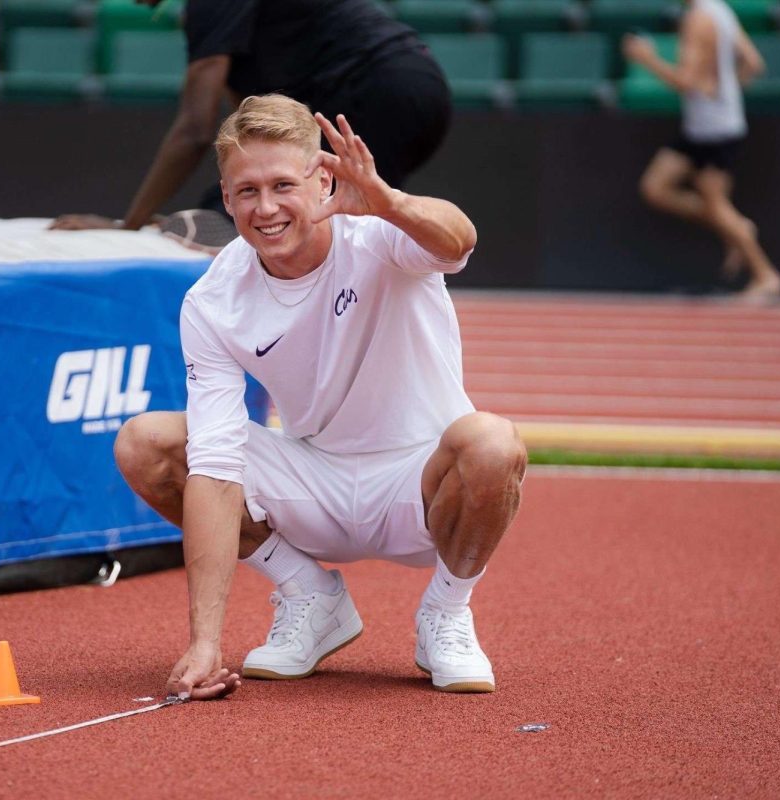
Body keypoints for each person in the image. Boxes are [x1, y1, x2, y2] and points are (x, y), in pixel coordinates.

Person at [113, 94, 527, 701]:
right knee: (146, 443)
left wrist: (391, 201)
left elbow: (457, 242)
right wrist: (206, 641)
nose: (266, 207)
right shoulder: (213, 299)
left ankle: (446, 611)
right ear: (226, 199)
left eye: (283, 184)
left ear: (323, 177)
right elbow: (216, 468)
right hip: (313, 482)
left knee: (491, 441)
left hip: (419, 487)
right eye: (246, 191)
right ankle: (309, 594)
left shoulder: (381, 233)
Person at [50, 0, 452, 247]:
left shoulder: (209, 8)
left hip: (381, 93)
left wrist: (130, 225)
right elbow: (248, 132)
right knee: (299, 220)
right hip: (418, 87)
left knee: (246, 221)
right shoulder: (238, 24)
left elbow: (195, 130)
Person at [622, 1, 780, 300]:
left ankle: (766, 274)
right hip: (708, 126)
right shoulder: (722, 11)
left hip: (713, 130)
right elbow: (753, 63)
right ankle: (736, 226)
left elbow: (686, 82)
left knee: (714, 204)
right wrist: (727, 94)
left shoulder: (698, 19)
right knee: (655, 187)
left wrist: (646, 58)